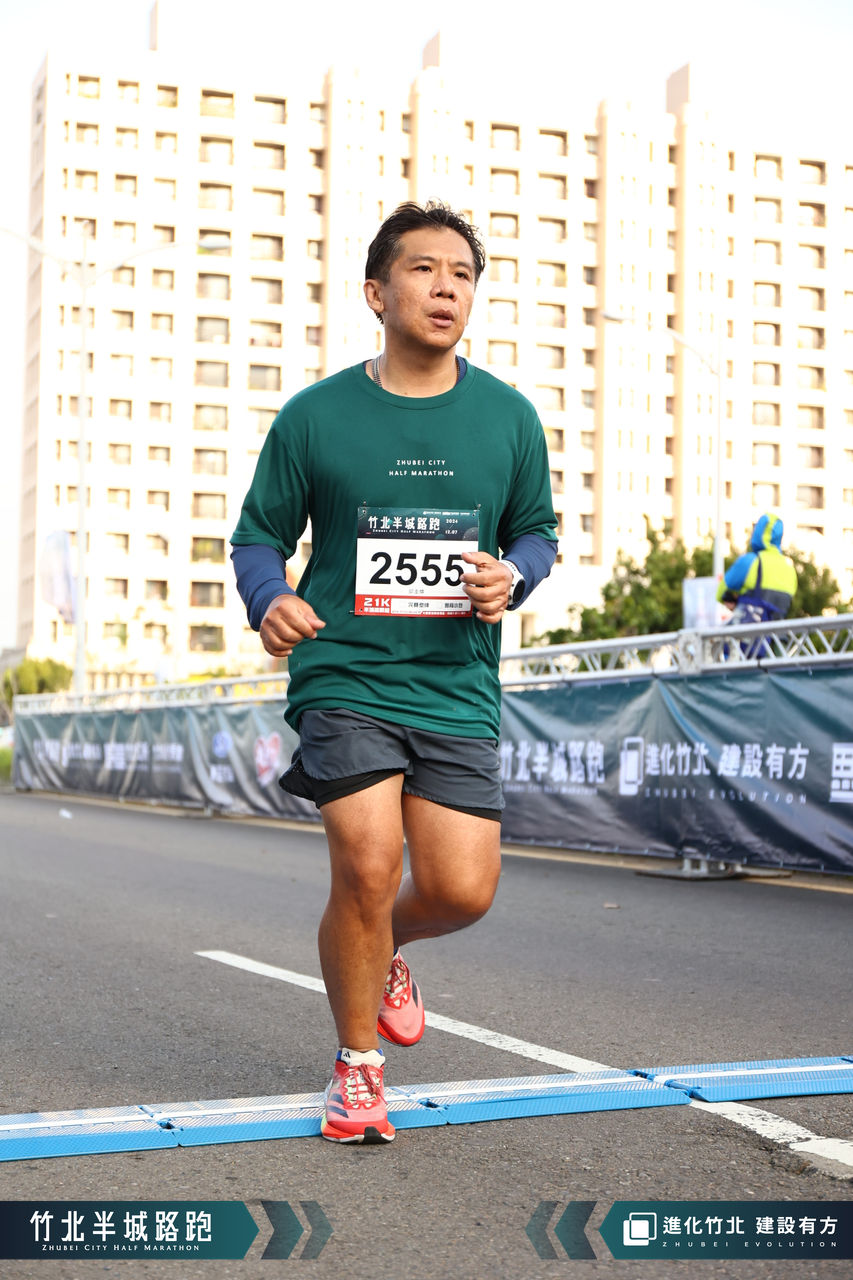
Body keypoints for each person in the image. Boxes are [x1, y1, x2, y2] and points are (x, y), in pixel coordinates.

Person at [231, 201, 557, 1144]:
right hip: (346, 674)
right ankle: (357, 1066)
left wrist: (514, 575)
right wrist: (269, 598)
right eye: (423, 269)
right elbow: (257, 537)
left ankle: (389, 949)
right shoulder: (315, 416)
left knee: (460, 890)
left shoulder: (508, 418)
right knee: (368, 866)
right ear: (376, 293)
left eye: (461, 274)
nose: (446, 287)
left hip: (454, 682)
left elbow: (536, 532)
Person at [716, 511, 798, 624]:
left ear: (757, 533)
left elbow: (721, 592)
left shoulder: (750, 561)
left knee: (717, 634)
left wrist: (733, 599)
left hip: (749, 629)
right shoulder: (790, 568)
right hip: (775, 632)